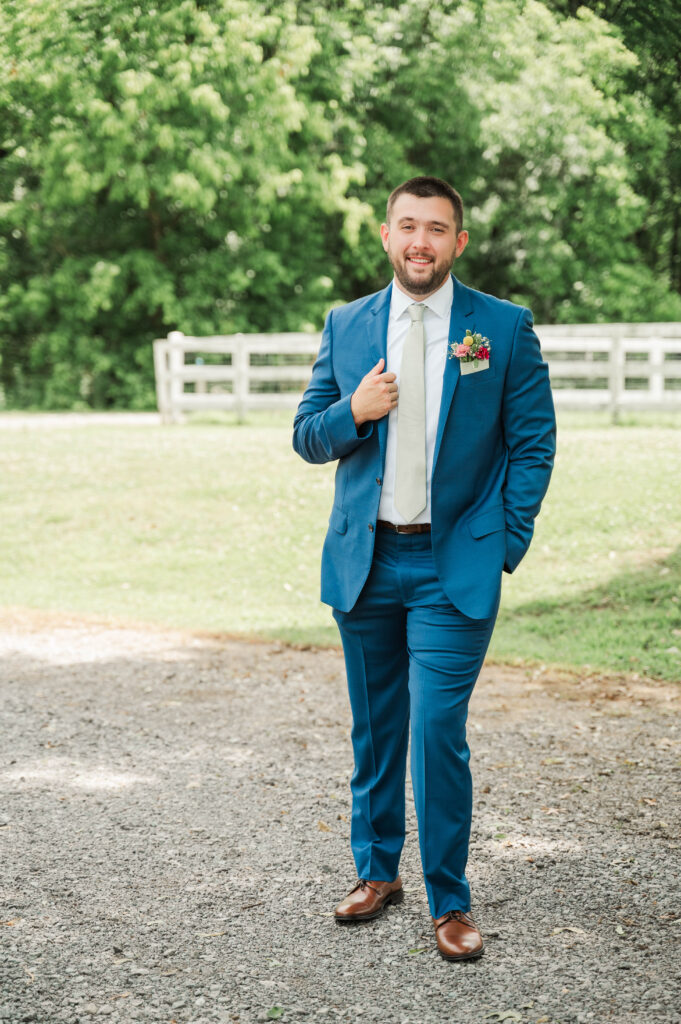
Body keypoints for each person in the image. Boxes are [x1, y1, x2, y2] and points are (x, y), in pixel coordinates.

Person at [292, 176, 556, 961]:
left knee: (436, 730)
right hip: (366, 562)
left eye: (436, 229)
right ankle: (377, 873)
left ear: (458, 243)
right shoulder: (346, 325)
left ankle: (449, 898)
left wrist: (503, 539)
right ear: (385, 235)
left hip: (455, 565)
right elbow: (308, 434)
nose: (420, 242)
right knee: (375, 731)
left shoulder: (501, 329)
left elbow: (532, 441)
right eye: (407, 226)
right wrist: (355, 412)